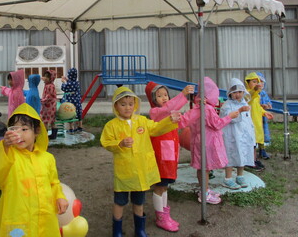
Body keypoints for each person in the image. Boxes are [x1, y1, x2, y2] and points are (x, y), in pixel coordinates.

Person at [101, 86, 180, 237]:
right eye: (123, 104)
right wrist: (120, 144)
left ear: (135, 104)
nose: (127, 107)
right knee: (120, 202)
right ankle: (117, 231)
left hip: (141, 172)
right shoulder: (111, 125)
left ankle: (140, 230)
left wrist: (169, 120)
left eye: (130, 104)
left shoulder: (142, 121)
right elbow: (106, 142)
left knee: (139, 202)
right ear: (115, 106)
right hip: (124, 173)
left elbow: (156, 129)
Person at [0, 103, 68, 237]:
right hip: (17, 219)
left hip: (44, 218)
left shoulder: (47, 158)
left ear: (36, 131)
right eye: (15, 129)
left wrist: (59, 197)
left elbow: (53, 183)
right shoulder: (9, 156)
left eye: (24, 129)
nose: (19, 134)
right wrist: (5, 146)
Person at [178, 77, 239, 204]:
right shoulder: (207, 109)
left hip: (199, 141)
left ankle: (204, 189)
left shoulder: (198, 107)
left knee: (202, 168)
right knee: (204, 168)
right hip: (207, 143)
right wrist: (230, 116)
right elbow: (217, 124)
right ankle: (204, 193)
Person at [145, 82, 194, 232]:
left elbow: (182, 121)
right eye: (159, 96)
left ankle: (165, 213)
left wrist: (199, 108)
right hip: (161, 156)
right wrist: (183, 95)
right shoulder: (155, 112)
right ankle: (160, 217)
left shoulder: (169, 112)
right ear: (153, 99)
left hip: (170, 155)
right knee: (160, 186)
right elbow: (167, 109)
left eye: (165, 94)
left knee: (165, 186)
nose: (164, 98)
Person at [219, 78, 255, 190]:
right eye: (234, 92)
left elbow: (249, 120)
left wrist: (251, 134)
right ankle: (228, 179)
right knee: (230, 154)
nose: (237, 94)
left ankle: (240, 176)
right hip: (231, 135)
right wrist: (239, 111)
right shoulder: (227, 105)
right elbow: (229, 118)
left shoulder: (246, 104)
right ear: (230, 93)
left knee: (243, 153)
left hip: (244, 135)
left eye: (240, 92)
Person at [245, 72, 274, 170]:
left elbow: (257, 106)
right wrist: (255, 90)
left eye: (258, 82)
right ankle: (250, 161)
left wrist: (264, 112)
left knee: (255, 142)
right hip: (250, 122)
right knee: (251, 143)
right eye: (254, 82)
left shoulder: (257, 95)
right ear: (247, 82)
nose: (256, 84)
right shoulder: (247, 93)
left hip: (257, 122)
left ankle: (254, 159)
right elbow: (249, 96)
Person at [61, 68, 83, 132]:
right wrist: (67, 80)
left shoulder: (69, 84)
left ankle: (71, 128)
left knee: (70, 114)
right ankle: (80, 127)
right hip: (77, 101)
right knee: (78, 113)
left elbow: (64, 88)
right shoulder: (77, 82)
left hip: (70, 102)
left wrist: (63, 81)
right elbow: (71, 84)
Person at [256, 71, 272, 157]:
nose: (260, 84)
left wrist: (268, 105)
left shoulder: (263, 93)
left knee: (262, 132)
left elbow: (268, 102)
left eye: (262, 82)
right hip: (254, 117)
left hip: (263, 117)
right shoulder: (252, 94)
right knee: (255, 133)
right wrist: (261, 106)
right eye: (258, 82)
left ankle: (262, 150)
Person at [41, 69, 58, 140]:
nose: (45, 78)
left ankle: (45, 136)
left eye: (47, 77)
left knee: (46, 121)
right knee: (51, 121)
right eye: (44, 76)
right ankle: (53, 135)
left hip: (48, 106)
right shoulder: (48, 85)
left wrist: (42, 101)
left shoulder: (50, 86)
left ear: (51, 78)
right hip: (50, 106)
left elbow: (49, 96)